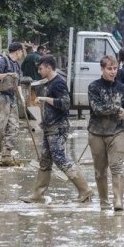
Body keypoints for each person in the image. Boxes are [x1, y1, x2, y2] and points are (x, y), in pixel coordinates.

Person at [21, 55, 93, 203]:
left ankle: (85, 189)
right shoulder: (48, 83)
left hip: (58, 126)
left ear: (48, 67)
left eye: (41, 68)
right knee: (45, 160)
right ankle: (38, 194)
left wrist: (45, 99)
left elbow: (66, 103)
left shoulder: (58, 83)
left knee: (60, 159)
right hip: (49, 126)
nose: (39, 71)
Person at [88, 56, 124, 211]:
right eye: (109, 69)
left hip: (117, 132)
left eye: (115, 68)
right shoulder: (93, 87)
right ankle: (103, 201)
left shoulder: (121, 88)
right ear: (102, 69)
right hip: (96, 132)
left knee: (117, 167)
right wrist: (116, 109)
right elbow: (97, 108)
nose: (113, 72)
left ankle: (118, 201)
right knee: (100, 171)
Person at [0, 42, 25, 167]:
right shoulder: (2, 62)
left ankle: (6, 155)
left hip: (12, 98)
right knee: (0, 127)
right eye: (22, 51)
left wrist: (22, 98)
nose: (22, 54)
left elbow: (18, 84)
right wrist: (7, 75)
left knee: (14, 127)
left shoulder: (17, 66)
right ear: (18, 51)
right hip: (0, 97)